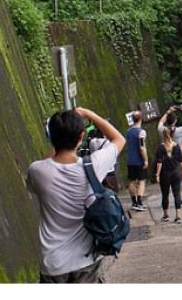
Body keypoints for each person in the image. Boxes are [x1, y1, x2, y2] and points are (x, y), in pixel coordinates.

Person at [26, 107, 124, 283]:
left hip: (53, 263)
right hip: (86, 260)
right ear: (81, 137)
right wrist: (88, 114)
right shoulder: (94, 164)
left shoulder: (37, 171)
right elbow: (119, 139)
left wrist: (57, 141)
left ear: (51, 137)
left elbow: (46, 164)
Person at [154, 127, 182, 223]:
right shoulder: (176, 146)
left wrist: (157, 175)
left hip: (165, 174)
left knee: (165, 194)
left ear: (163, 136)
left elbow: (159, 163)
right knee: (177, 194)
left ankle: (166, 215)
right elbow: (181, 161)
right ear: (172, 135)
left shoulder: (160, 147)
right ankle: (178, 216)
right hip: (176, 173)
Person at [123, 111, 148, 211]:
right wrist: (145, 160)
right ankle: (140, 202)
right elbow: (141, 147)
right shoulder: (141, 132)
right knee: (142, 180)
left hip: (130, 160)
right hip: (139, 160)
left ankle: (134, 202)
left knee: (132, 181)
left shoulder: (128, 131)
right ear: (141, 119)